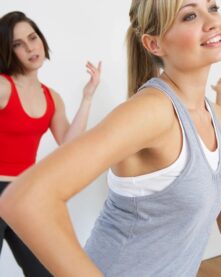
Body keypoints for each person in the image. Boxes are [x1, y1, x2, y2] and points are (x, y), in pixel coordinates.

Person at [0, 2, 221, 276]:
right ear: (154, 43)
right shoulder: (152, 110)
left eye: (212, 7)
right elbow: (24, 199)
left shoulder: (218, 119)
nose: (212, 21)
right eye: (190, 15)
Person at [0, 11, 101, 276]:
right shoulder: (3, 87)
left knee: (44, 270)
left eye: (32, 37)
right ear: (7, 52)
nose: (30, 47)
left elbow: (69, 147)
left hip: (26, 194)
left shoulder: (51, 98)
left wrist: (87, 97)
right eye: (17, 44)